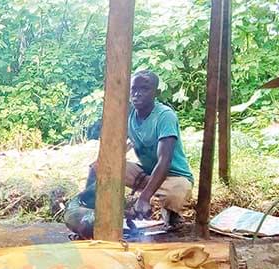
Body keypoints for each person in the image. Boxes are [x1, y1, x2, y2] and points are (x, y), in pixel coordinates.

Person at [66, 70, 193, 238]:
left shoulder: (165, 116)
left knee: (176, 192)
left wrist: (144, 198)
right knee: (100, 167)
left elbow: (165, 161)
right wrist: (101, 174)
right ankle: (91, 212)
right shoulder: (128, 115)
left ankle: (171, 215)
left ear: (156, 92)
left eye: (144, 89)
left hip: (172, 176)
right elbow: (114, 150)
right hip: (146, 174)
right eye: (134, 89)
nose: (137, 94)